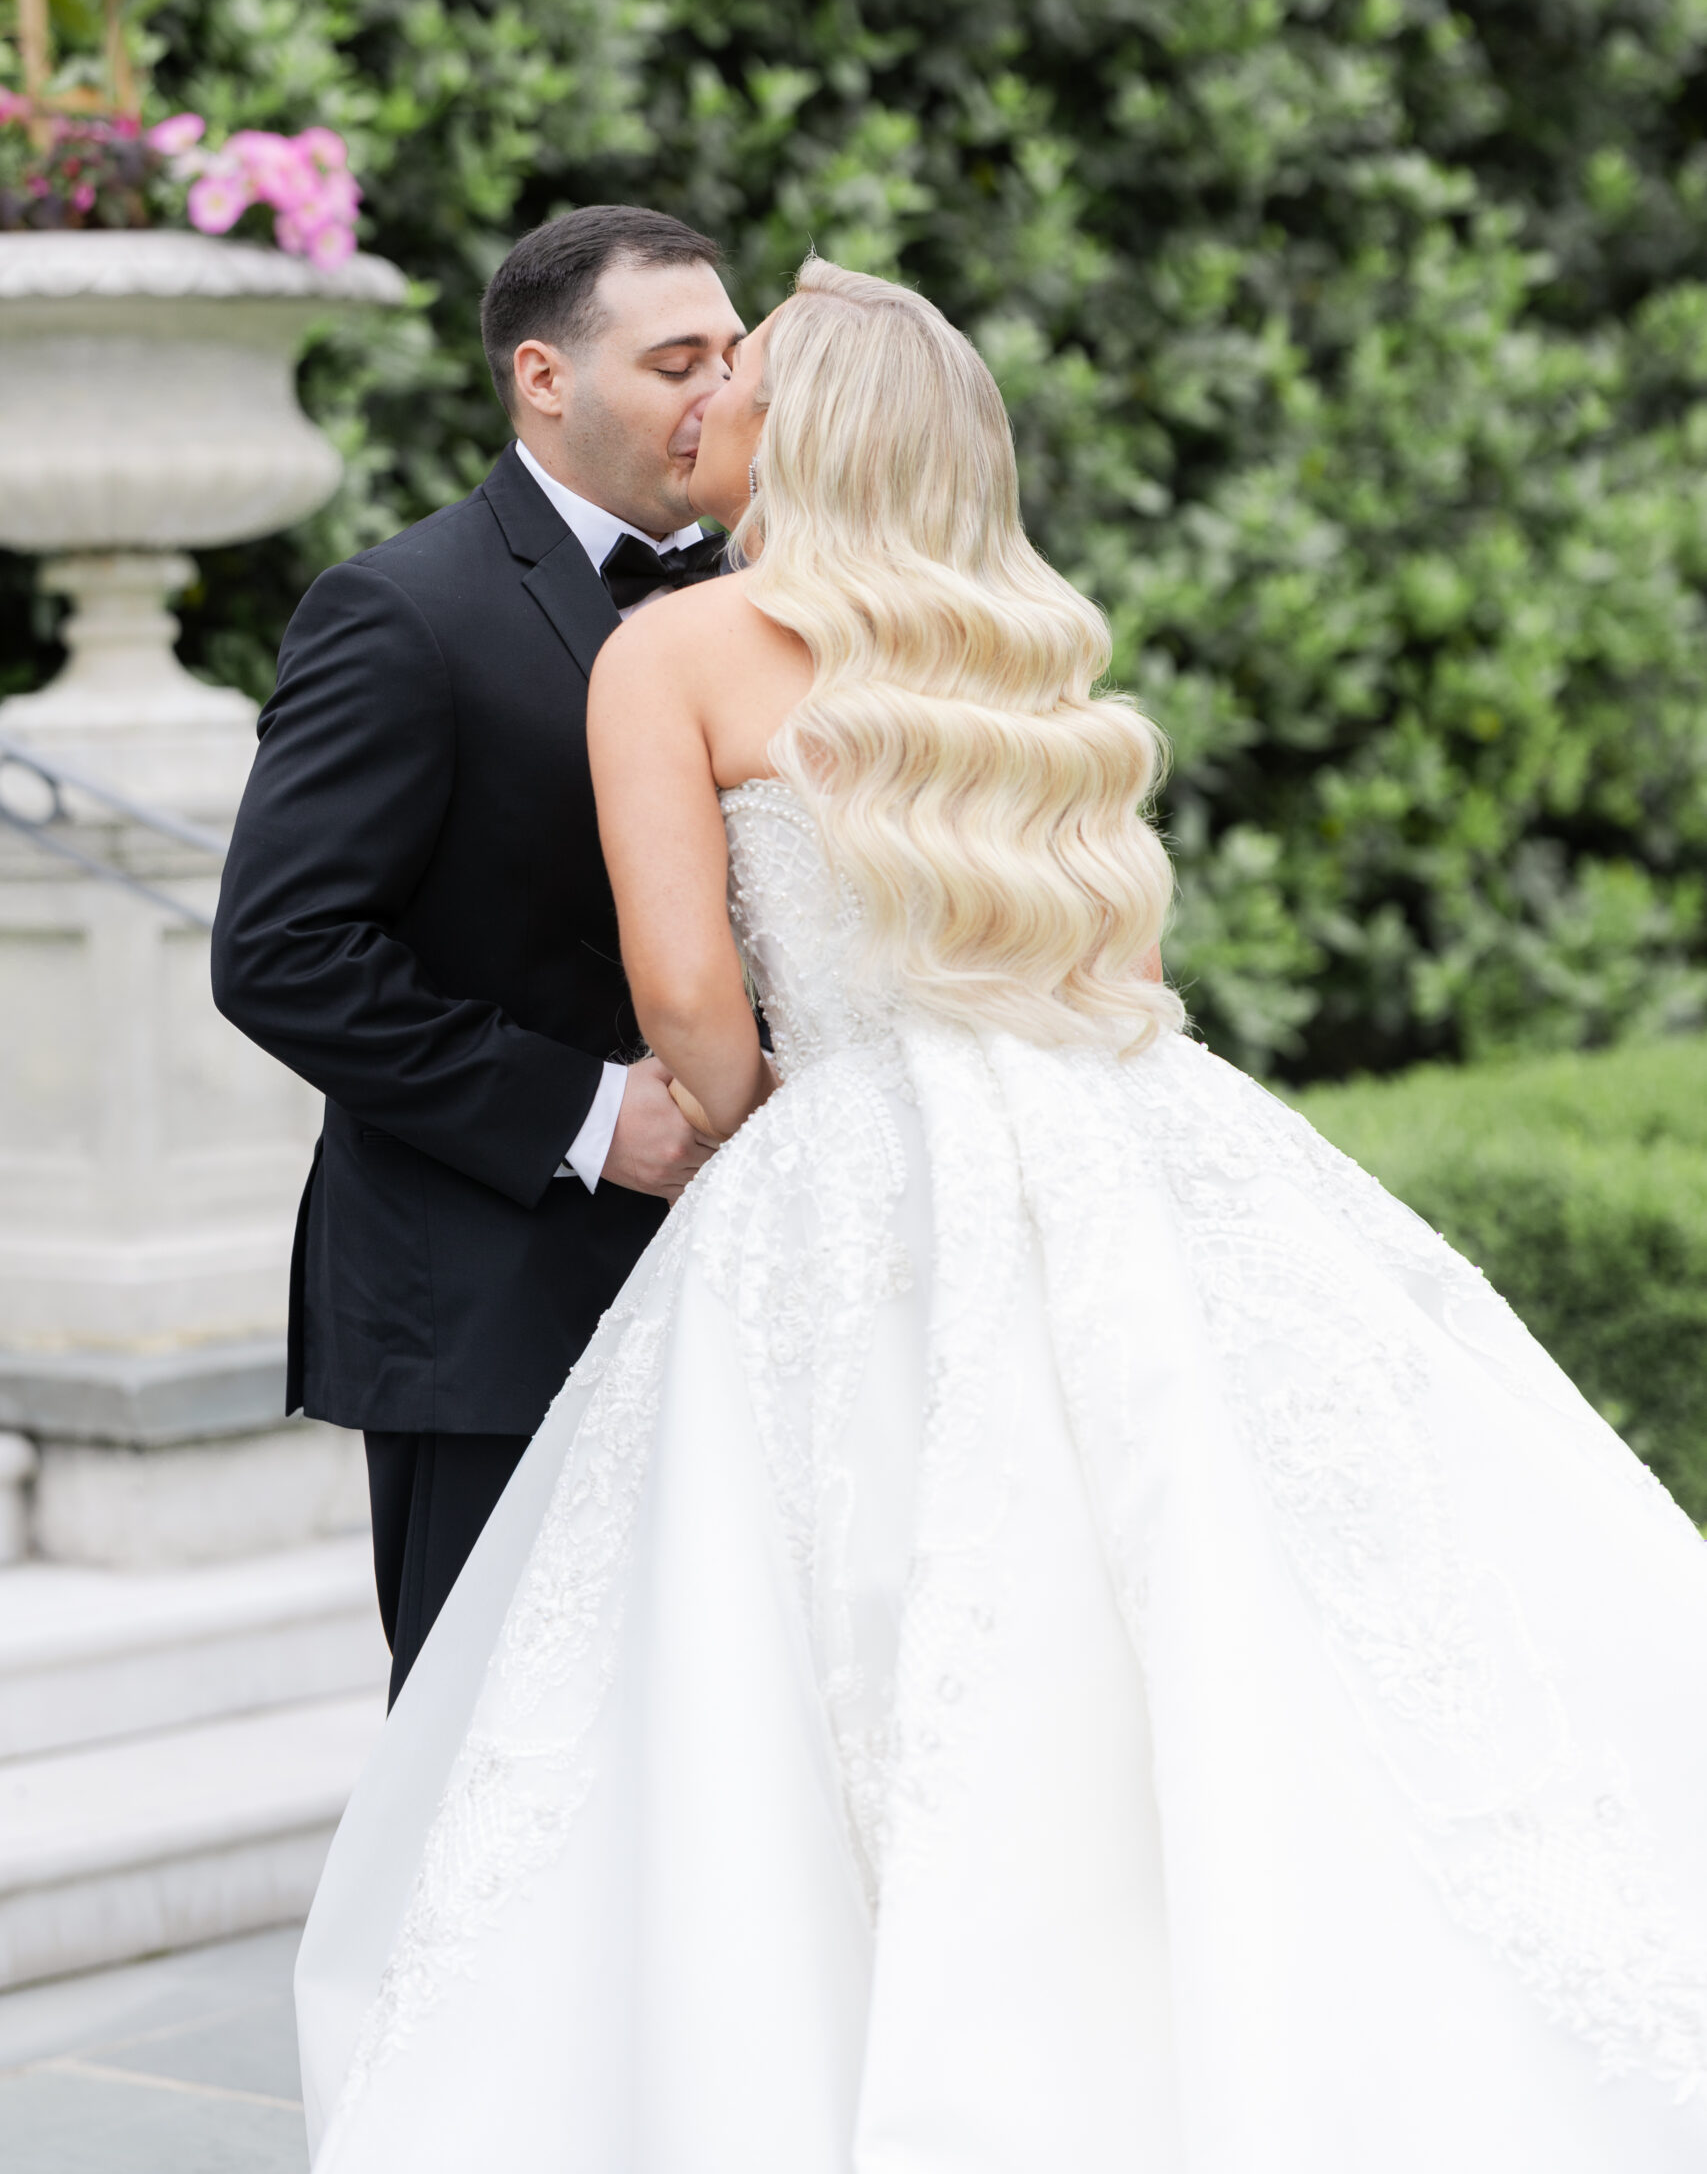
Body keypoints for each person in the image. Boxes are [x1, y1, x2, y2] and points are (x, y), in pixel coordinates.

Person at [296, 260, 1707, 2172]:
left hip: (845, 1151)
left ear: (817, 434)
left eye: (749, 379)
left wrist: (766, 1137)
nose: (710, 406)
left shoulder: (681, 652)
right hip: (1118, 1127)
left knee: (841, 1639)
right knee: (1183, 1595)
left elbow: (696, 1006)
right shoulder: (1030, 643)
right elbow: (1109, 945)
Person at [212, 206, 745, 1702]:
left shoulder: (777, 599)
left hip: (743, 1271)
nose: (721, 389)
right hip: (490, 1302)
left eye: (733, 353)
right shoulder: (399, 611)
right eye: (676, 359)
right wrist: (590, 1115)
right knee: (484, 1753)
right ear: (544, 378)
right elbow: (283, 950)